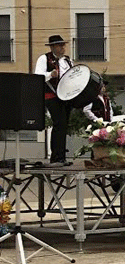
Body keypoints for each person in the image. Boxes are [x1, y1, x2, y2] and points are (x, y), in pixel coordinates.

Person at [34, 36, 74, 166]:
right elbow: (38, 76)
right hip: (51, 95)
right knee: (59, 123)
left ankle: (61, 156)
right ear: (52, 47)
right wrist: (50, 74)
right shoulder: (44, 59)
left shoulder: (67, 61)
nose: (62, 48)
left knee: (63, 126)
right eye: (59, 45)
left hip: (65, 96)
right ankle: (56, 157)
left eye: (63, 45)